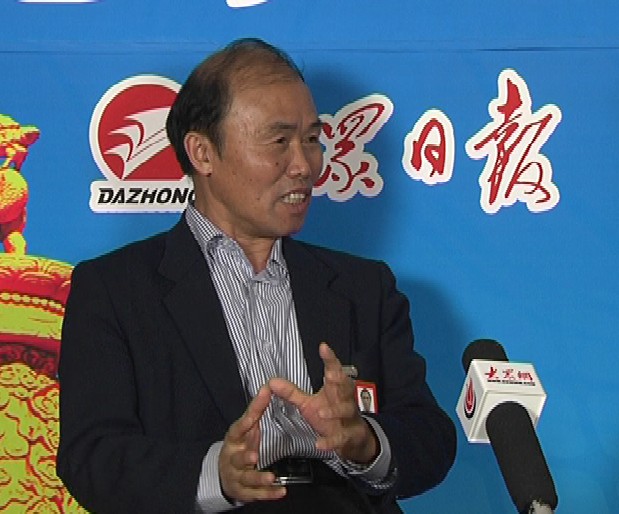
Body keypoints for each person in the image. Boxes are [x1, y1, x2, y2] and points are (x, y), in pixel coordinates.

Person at [57, 38, 456, 514]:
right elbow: (93, 457)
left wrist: (364, 441)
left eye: (312, 140)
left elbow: (431, 437)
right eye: (279, 141)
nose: (304, 166)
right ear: (203, 153)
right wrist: (218, 474)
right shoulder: (114, 290)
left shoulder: (364, 287)